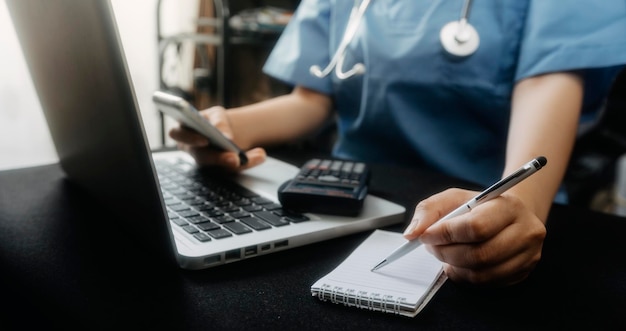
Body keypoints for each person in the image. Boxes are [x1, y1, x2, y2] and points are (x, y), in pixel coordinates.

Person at [169, 1, 626, 286]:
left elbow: (548, 87)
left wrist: (515, 211)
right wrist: (227, 126)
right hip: (350, 207)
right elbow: (311, 98)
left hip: (475, 211)